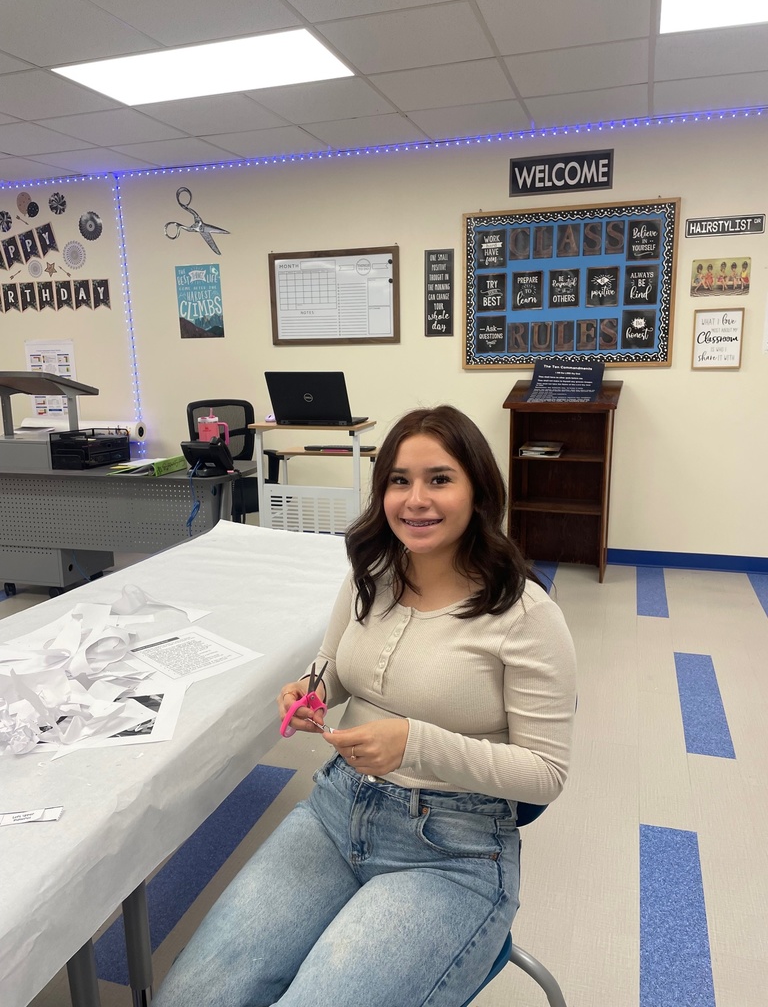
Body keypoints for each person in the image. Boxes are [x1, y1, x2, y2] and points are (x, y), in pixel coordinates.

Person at [153, 405, 577, 1007]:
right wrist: (311, 692)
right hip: (335, 811)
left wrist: (416, 741)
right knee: (191, 997)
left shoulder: (525, 614)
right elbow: (333, 671)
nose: (415, 500)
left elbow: (546, 774)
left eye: (439, 478)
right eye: (399, 480)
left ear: (479, 490)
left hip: (452, 850)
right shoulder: (367, 574)